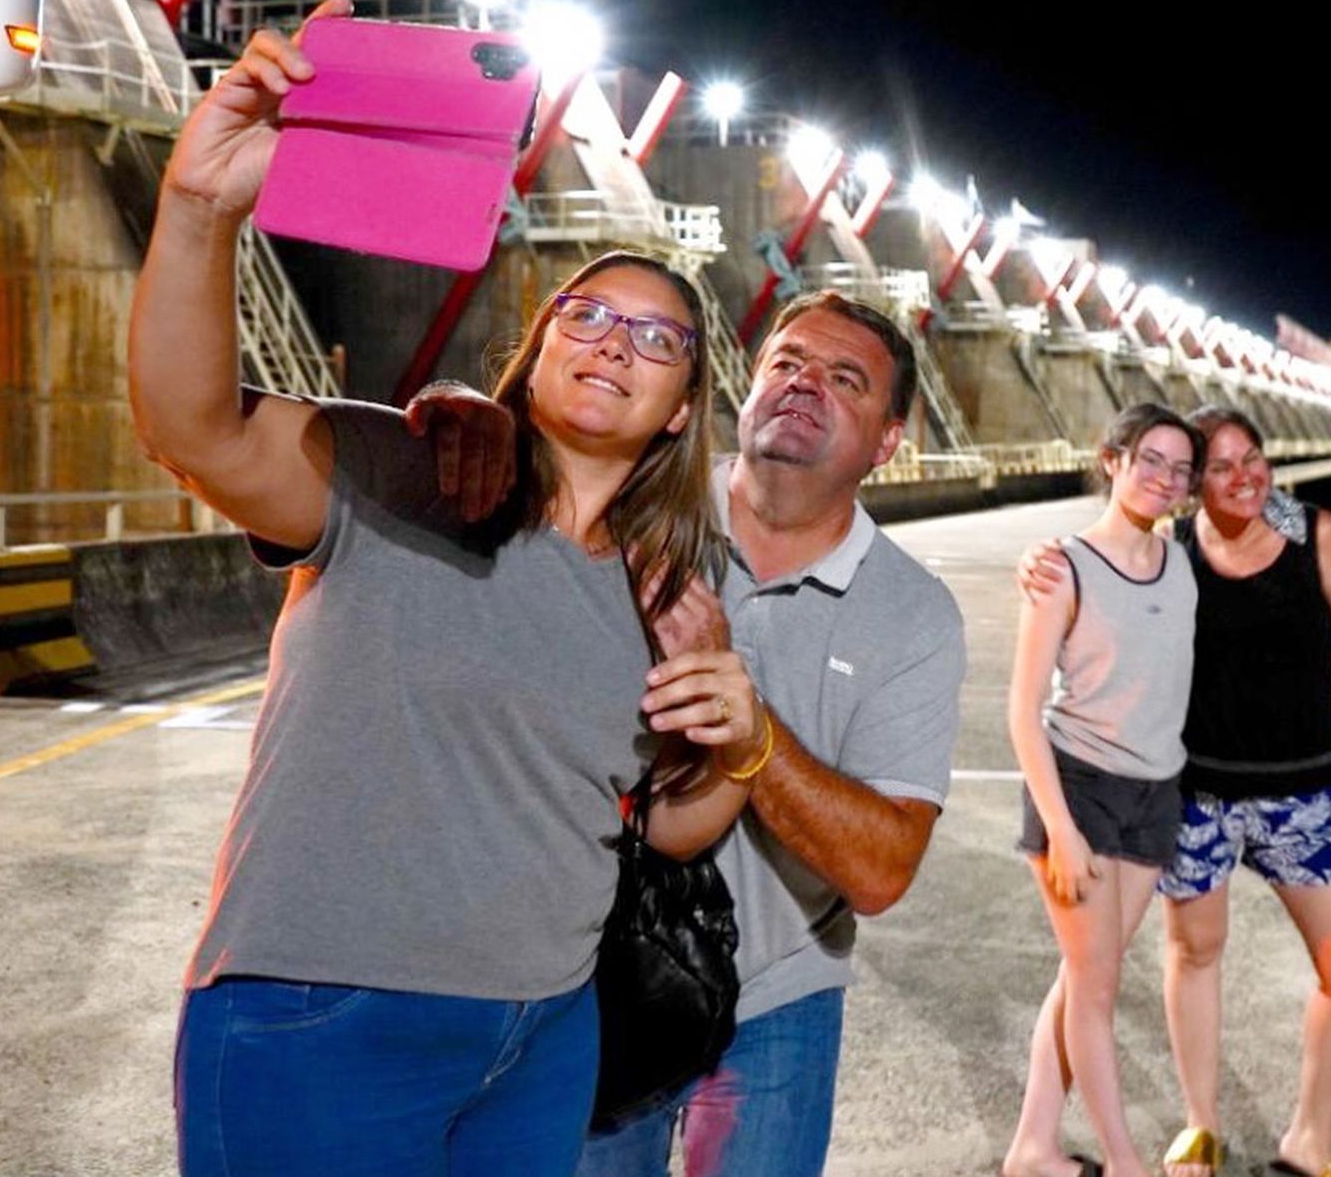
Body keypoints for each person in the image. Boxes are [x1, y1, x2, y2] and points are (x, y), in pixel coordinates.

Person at [129, 0, 766, 1177]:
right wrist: (200, 209)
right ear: (540, 340)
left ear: (684, 406)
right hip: (325, 1014)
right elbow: (192, 427)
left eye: (659, 336)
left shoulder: (668, 586)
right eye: (588, 313)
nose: (616, 341)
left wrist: (742, 745)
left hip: (542, 1029)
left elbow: (658, 824)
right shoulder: (399, 468)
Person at [412, 289, 967, 1176]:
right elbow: (514, 467)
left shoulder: (912, 614)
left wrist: (749, 730)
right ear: (742, 394)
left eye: (845, 379)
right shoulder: (625, 514)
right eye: (786, 363)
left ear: (889, 441)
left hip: (780, 990)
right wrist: (460, 417)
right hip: (586, 974)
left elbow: (881, 869)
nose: (803, 384)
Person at [1020, 406, 1331, 1177]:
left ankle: (1309, 1138)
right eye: (1217, 467)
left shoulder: (1307, 529)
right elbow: (1101, 559)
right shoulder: (1178, 545)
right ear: (1193, 487)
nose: (1241, 477)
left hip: (1304, 797)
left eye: (1251, 458)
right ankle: (1198, 1125)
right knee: (1193, 950)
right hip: (1194, 795)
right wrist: (1042, 562)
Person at [1002, 403, 1203, 1177]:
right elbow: (1021, 710)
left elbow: (1276, 511)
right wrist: (1060, 829)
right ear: (1112, 459)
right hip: (1078, 789)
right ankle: (1124, 1160)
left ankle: (1033, 1145)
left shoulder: (1180, 556)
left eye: (1181, 470)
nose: (1165, 479)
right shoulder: (1064, 566)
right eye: (1150, 459)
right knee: (1096, 986)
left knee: (1083, 976)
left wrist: (1251, 483)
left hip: (1156, 790)